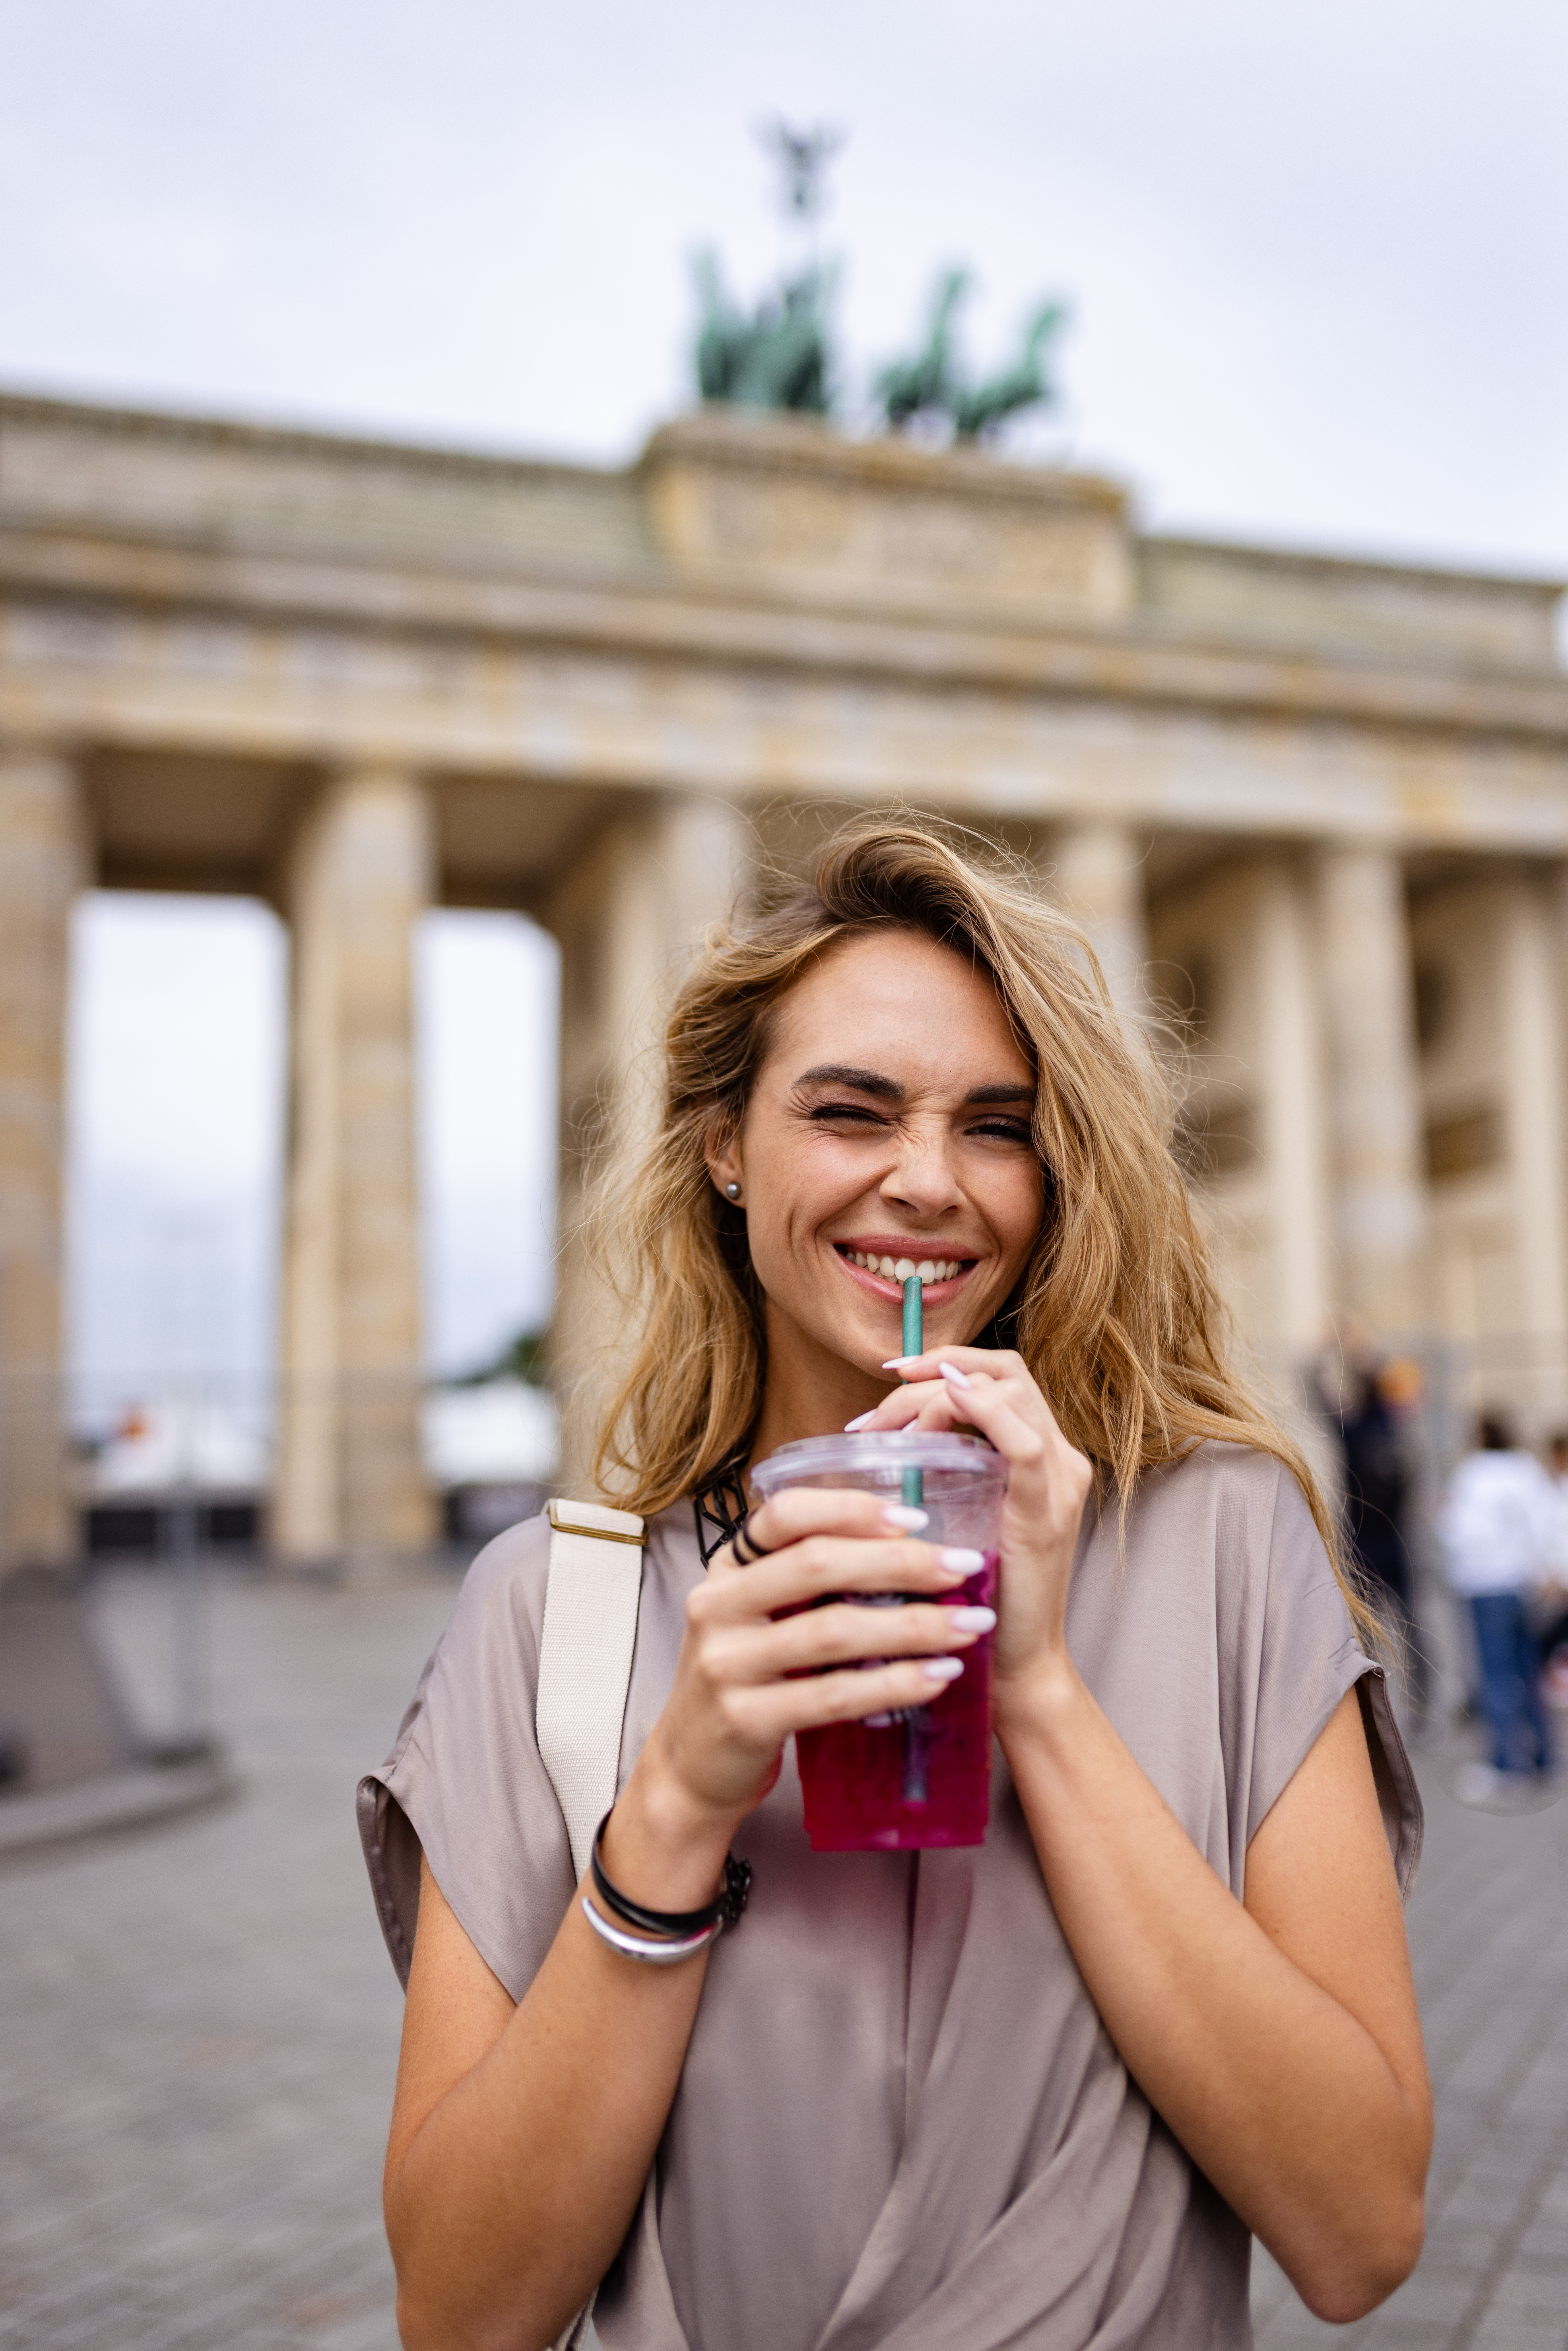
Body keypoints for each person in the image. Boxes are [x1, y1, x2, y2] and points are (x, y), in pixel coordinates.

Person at [360, 820, 1429, 2351]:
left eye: (995, 1127)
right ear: (724, 1144)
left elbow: (1358, 2230)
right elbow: (459, 2314)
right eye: (850, 1111)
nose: (928, 1183)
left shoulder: (1220, 1543)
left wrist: (1044, 1689)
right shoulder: (550, 1611)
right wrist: (672, 1804)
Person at [1438, 1413, 1558, 1802]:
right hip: (1523, 1582)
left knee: (1494, 1674)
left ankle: (1506, 1765)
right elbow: (1547, 1524)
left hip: (1485, 1583)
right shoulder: (1527, 1470)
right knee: (1527, 1669)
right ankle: (1544, 1757)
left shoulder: (1473, 1473)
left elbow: (1458, 1531)